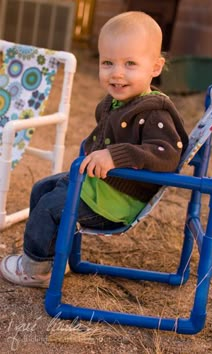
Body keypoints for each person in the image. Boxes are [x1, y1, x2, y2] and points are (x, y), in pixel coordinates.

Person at [0, 11, 188, 288]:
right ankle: (53, 257)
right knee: (41, 189)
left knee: (51, 208)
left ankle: (36, 268)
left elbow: (167, 154)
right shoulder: (117, 103)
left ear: (156, 67)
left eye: (130, 64)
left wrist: (115, 155)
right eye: (108, 62)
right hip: (96, 185)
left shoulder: (155, 113)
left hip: (115, 200)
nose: (117, 73)